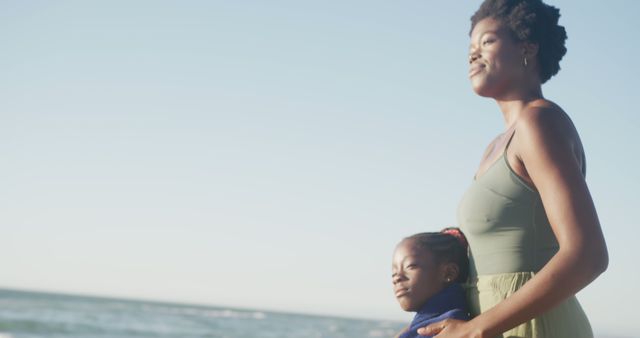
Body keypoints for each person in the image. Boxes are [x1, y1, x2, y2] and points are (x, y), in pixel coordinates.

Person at [417, 0, 609, 337]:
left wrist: (476, 329)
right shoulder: (496, 146)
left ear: (527, 47)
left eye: (487, 41)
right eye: (470, 47)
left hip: (535, 327)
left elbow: (588, 255)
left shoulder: (539, 123)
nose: (472, 54)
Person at [392, 228, 470, 338]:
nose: (396, 278)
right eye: (394, 272)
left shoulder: (447, 329)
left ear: (449, 273)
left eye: (410, 266)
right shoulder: (423, 325)